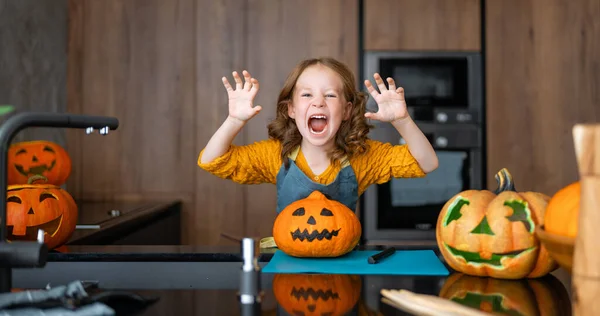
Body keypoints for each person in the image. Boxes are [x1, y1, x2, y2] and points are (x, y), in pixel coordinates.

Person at [198, 57, 438, 214]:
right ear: (291, 109)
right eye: (306, 95)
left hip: (345, 264)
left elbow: (427, 163)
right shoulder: (275, 155)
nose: (319, 103)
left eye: (331, 95)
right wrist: (235, 120)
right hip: (290, 263)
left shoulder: (363, 157)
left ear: (346, 111)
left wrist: (401, 120)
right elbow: (212, 161)